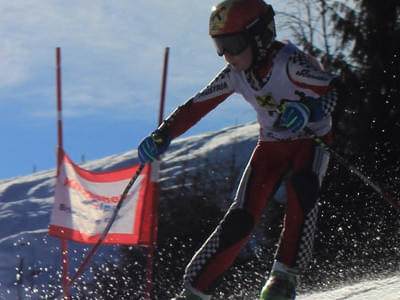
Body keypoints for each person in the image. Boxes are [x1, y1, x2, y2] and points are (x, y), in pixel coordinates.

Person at [138, 0, 340, 299]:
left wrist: (309, 110)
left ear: (259, 37)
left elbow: (334, 90)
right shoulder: (235, 74)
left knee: (303, 190)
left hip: (310, 141)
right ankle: (195, 290)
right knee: (241, 218)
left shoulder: (289, 63)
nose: (227, 55)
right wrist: (163, 134)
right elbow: (197, 106)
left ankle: (284, 277)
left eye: (232, 44)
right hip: (271, 146)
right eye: (220, 46)